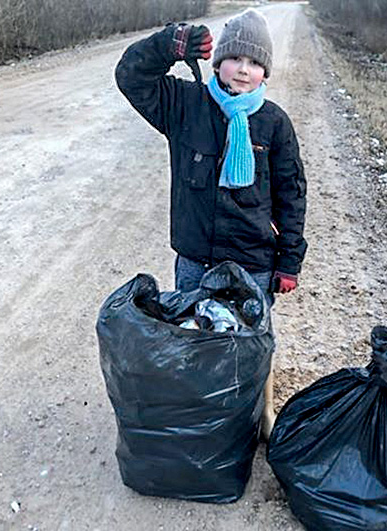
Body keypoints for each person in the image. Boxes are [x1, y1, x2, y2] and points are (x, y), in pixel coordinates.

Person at [115, 8, 307, 439]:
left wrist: (289, 260)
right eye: (236, 58)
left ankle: (262, 413)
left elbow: (292, 195)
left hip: (254, 262)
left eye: (255, 63)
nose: (244, 69)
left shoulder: (275, 124)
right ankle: (201, 420)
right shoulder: (185, 106)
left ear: (265, 72)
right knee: (194, 343)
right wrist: (168, 44)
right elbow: (130, 77)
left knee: (254, 348)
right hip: (196, 262)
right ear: (218, 61)